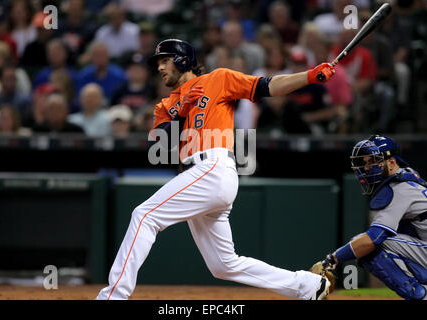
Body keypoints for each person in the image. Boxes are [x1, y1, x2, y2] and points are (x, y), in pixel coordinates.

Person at [96, 38, 336, 300]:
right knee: (223, 265)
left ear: (182, 60)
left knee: (144, 216)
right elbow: (158, 144)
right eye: (158, 62)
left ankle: (113, 296)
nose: (160, 67)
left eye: (165, 60)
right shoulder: (165, 105)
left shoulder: (218, 79)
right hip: (196, 175)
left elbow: (268, 86)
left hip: (213, 166)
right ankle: (308, 286)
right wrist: (182, 108)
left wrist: (310, 76)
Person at [314, 135, 427, 300]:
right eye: (365, 162)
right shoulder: (408, 175)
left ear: (392, 162)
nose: (367, 168)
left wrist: (330, 260)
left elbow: (372, 239)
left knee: (367, 245)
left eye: (373, 161)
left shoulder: (399, 188)